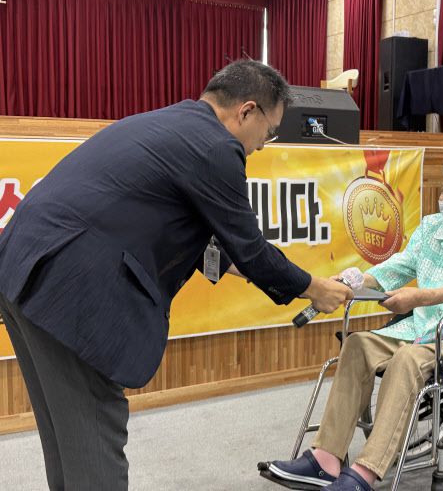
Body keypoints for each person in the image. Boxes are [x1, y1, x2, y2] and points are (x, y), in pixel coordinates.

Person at [0, 60, 353, 490]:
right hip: (70, 289)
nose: (264, 144)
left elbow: (196, 233)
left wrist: (246, 267)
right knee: (93, 438)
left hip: (23, 265)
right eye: (270, 131)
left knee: (66, 437)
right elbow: (252, 249)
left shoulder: (172, 123)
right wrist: (315, 289)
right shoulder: (216, 147)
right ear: (247, 111)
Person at [264, 153, 443, 491]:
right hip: (423, 328)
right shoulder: (433, 227)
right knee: (357, 345)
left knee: (407, 360)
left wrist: (419, 297)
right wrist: (356, 281)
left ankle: (366, 472)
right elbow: (399, 266)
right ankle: (325, 459)